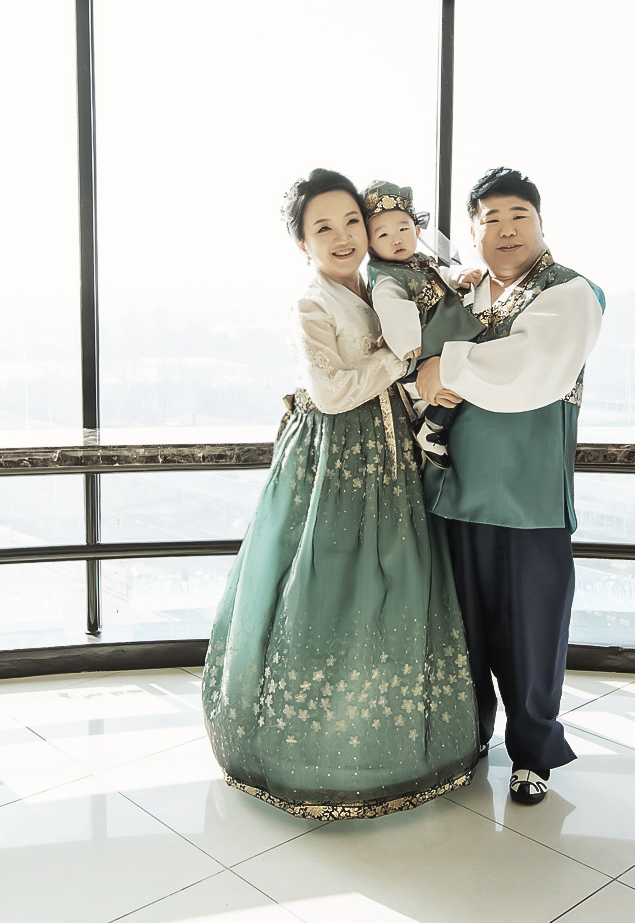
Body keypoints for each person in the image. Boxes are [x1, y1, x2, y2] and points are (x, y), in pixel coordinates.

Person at [201, 169, 479, 820]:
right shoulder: (312, 304)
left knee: (394, 586)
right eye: (323, 227)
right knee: (326, 589)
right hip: (332, 460)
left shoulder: (377, 283)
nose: (343, 236)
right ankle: (319, 750)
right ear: (303, 242)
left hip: (389, 453)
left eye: (351, 221)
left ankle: (397, 742)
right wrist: (403, 361)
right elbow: (329, 392)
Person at [414, 167, 604, 807]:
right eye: (490, 220)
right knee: (462, 635)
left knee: (532, 635)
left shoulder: (569, 291)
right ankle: (467, 741)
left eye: (519, 216)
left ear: (541, 223)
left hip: (529, 498)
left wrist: (446, 365)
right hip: (455, 492)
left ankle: (532, 755)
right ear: (472, 233)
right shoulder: (463, 297)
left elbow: (532, 366)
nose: (505, 230)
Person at [362, 180, 485, 470]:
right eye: (384, 234)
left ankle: (432, 424)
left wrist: (457, 278)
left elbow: (439, 273)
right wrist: (406, 342)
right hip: (422, 344)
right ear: (369, 243)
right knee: (447, 390)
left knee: (462, 375)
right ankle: (430, 428)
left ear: (417, 231)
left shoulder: (419, 261)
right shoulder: (385, 275)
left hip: (441, 333)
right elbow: (390, 306)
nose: (397, 239)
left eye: (403, 230)